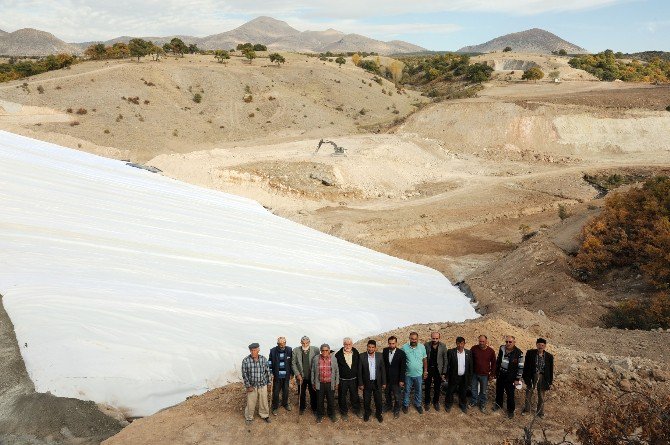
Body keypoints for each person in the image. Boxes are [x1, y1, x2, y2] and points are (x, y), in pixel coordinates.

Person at [494, 335, 524, 418]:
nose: (508, 343)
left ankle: (510, 410)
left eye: (510, 342)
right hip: (501, 374)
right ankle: (498, 405)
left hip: (511, 376)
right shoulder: (502, 348)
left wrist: (517, 379)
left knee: (510, 394)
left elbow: (520, 367)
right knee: (499, 390)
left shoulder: (518, 353)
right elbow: (498, 360)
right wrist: (496, 372)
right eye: (506, 341)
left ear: (514, 342)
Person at [522, 338, 554, 418]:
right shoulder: (530, 353)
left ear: (545, 346)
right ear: (536, 345)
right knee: (529, 393)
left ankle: (540, 412)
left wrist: (550, 382)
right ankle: (527, 410)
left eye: (542, 345)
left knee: (541, 395)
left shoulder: (549, 356)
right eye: (539, 344)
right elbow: (526, 366)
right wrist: (525, 377)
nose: (540, 346)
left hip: (543, 377)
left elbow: (550, 370)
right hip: (532, 375)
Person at [241, 342, 272, 424]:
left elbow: (267, 372)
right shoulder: (246, 360)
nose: (252, 352)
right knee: (250, 402)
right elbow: (244, 374)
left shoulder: (263, 359)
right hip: (252, 386)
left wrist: (269, 383)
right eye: (251, 350)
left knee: (264, 401)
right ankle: (249, 417)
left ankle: (264, 415)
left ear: (258, 350)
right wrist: (248, 386)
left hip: (262, 384)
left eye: (254, 350)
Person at [358, 339, 387, 422]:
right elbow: (359, 371)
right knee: (366, 400)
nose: (370, 349)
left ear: (375, 348)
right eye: (369, 347)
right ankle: (367, 413)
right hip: (366, 383)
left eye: (372, 347)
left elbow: (383, 370)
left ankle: (378, 414)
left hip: (377, 382)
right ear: (367, 347)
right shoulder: (362, 356)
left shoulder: (380, 356)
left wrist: (384, 382)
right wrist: (360, 383)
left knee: (378, 400)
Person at [310, 343, 340, 423]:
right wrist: (313, 382)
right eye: (323, 350)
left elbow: (337, 371)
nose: (325, 352)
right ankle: (320, 415)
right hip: (320, 383)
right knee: (319, 400)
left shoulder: (333, 358)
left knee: (331, 400)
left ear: (329, 350)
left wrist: (337, 382)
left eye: (326, 350)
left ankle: (331, 414)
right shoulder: (316, 358)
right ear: (320, 351)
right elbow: (313, 371)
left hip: (330, 383)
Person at [335, 337, 361, 419]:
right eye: (346, 344)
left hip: (354, 379)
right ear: (343, 344)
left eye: (349, 344)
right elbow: (336, 369)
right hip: (342, 380)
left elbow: (359, 366)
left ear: (352, 344)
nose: (347, 346)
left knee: (355, 395)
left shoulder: (356, 352)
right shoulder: (338, 355)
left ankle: (357, 410)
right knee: (342, 396)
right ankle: (343, 412)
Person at [445, 336, 473, 413]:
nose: (460, 345)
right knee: (450, 390)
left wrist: (470, 377)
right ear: (456, 343)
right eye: (458, 343)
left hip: (464, 376)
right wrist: (447, 375)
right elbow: (448, 365)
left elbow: (470, 366)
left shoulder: (468, 353)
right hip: (453, 376)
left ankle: (463, 405)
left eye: (461, 343)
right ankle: (448, 404)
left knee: (463, 391)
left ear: (464, 344)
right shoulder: (451, 352)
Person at [291, 335, 319, 415]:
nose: (305, 344)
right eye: (303, 343)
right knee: (301, 392)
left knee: (313, 392)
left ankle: (314, 407)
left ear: (309, 342)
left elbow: (318, 362)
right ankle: (302, 407)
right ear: (301, 343)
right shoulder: (296, 350)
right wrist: (297, 374)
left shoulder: (315, 349)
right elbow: (293, 363)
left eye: (307, 343)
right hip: (301, 376)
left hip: (312, 376)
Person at [402, 331, 428, 414]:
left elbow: (424, 359)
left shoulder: (422, 347)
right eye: (412, 339)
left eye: (415, 339)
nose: (413, 340)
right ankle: (405, 405)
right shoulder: (404, 347)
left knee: (419, 390)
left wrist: (425, 371)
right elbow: (401, 361)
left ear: (418, 339)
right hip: (407, 374)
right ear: (409, 338)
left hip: (418, 374)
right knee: (407, 390)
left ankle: (418, 404)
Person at [470, 335, 497, 413]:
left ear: (486, 341)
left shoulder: (491, 351)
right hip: (474, 374)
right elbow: (470, 360)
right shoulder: (474, 348)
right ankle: (474, 401)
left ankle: (482, 404)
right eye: (480, 341)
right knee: (473, 388)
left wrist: (492, 374)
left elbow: (494, 363)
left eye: (483, 341)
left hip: (485, 375)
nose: (481, 343)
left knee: (483, 391)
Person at [382, 335, 406, 418]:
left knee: (397, 396)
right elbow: (383, 365)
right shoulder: (384, 351)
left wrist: (402, 380)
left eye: (393, 343)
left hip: (397, 380)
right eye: (390, 343)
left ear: (396, 343)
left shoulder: (401, 353)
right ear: (388, 343)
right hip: (387, 379)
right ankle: (388, 406)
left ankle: (396, 410)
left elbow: (403, 368)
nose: (391, 345)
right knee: (387, 394)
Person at [268, 336, 293, 415]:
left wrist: (292, 373)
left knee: (286, 391)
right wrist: (271, 373)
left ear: (285, 342)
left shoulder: (289, 350)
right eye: (280, 343)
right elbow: (270, 362)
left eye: (284, 343)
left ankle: (285, 404)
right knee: (276, 392)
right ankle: (275, 406)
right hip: (277, 375)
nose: (282, 345)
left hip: (286, 375)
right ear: (277, 343)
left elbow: (292, 362)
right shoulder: (273, 351)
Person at [424, 331, 448, 411]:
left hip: (438, 370)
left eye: (436, 338)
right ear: (431, 338)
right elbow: (424, 358)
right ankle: (427, 402)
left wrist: (444, 372)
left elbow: (445, 359)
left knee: (437, 387)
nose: (435, 340)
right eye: (433, 338)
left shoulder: (443, 346)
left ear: (439, 338)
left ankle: (436, 402)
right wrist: (424, 370)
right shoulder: (426, 345)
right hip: (428, 369)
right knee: (427, 386)